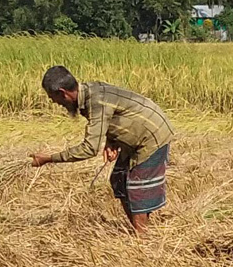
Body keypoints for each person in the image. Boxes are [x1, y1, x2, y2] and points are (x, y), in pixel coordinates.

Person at [30, 66, 174, 234]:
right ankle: (139, 229)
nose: (54, 103)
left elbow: (89, 148)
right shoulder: (90, 91)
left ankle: (143, 240)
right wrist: (111, 141)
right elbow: (116, 114)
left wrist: (49, 159)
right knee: (118, 180)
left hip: (152, 136)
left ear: (63, 93)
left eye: (53, 98)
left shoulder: (95, 102)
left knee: (137, 188)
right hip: (137, 134)